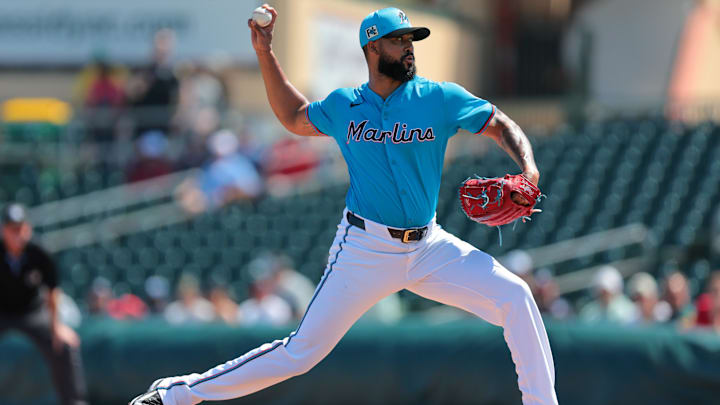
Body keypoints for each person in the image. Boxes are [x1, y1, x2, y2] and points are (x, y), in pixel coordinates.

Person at [130, 6, 557, 405]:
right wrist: (264, 52)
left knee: (516, 296)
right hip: (364, 248)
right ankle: (174, 395)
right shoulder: (345, 105)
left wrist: (529, 169)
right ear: (372, 47)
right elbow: (294, 116)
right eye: (398, 40)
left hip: (429, 246)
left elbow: (499, 123)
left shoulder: (439, 97)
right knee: (301, 352)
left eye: (411, 40)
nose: (408, 48)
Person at [0, 203, 88, 405]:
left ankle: (74, 402)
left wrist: (57, 326)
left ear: (28, 228)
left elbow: (52, 290)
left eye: (22, 228)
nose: (18, 234)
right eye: (13, 229)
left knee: (64, 346)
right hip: (2, 311)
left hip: (32, 311)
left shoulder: (39, 252)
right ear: (4, 230)